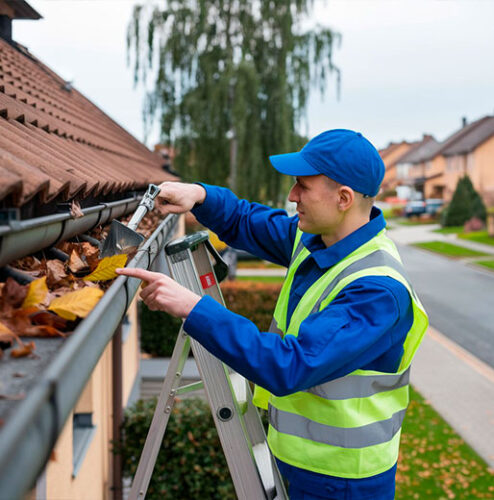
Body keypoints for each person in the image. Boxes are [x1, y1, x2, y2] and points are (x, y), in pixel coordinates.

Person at [117, 129, 429, 500]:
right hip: (300, 462)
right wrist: (198, 195)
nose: (292, 196)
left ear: (343, 198)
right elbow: (246, 221)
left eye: (303, 187)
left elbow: (290, 365)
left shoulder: (377, 292)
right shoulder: (317, 240)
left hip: (341, 481)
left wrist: (192, 307)